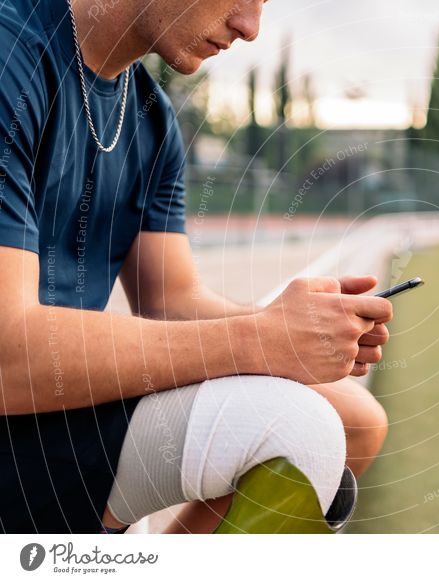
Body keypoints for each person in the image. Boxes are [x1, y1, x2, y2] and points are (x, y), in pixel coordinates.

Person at [0, 0, 392, 534]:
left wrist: (297, 328)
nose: (251, 27)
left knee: (358, 422)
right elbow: (7, 354)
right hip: (18, 403)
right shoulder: (10, 55)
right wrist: (261, 340)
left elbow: (171, 300)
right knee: (300, 429)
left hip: (60, 400)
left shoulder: (150, 117)